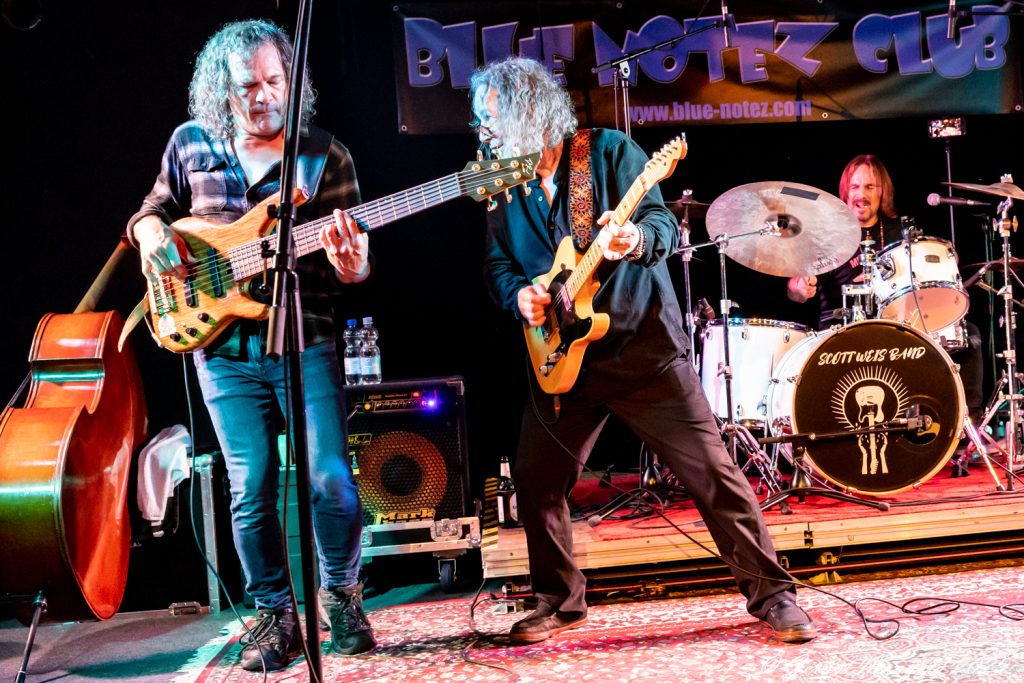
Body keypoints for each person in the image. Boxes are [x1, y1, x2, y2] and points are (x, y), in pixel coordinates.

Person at [472, 57, 816, 644]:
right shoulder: (504, 189)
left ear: (531, 114)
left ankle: (774, 595)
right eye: (481, 121)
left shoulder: (608, 153)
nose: (486, 133)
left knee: (712, 474)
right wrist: (519, 296)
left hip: (643, 350)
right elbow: (498, 265)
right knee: (534, 478)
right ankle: (557, 599)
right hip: (564, 361)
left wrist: (633, 238)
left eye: (493, 119)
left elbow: (662, 226)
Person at [128, 19, 375, 671]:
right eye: (248, 86)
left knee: (330, 478)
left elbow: (353, 267)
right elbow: (150, 211)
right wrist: (151, 235)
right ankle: (273, 615)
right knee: (250, 486)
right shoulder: (190, 143)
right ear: (223, 89)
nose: (264, 96)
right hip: (221, 348)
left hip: (306, 337)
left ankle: (342, 596)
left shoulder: (325, 155)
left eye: (275, 82)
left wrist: (353, 263)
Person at [787, 155, 985, 432]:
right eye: (855, 187)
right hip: (840, 328)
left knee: (967, 334)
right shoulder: (827, 237)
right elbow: (796, 292)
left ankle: (966, 425)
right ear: (845, 192)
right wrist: (799, 288)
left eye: (870, 187)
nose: (862, 195)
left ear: (883, 192)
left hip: (894, 324)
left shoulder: (899, 231)